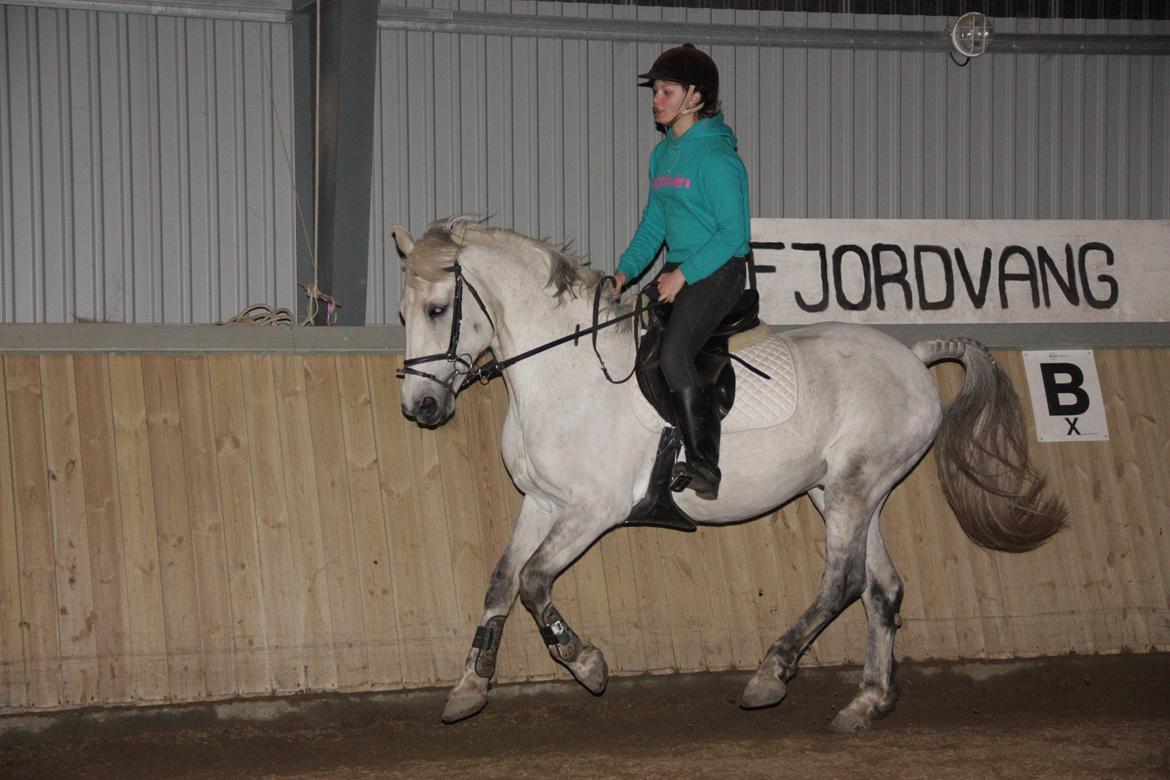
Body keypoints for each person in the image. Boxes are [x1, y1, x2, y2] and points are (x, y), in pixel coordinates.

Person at [613, 43, 750, 502]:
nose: (656, 99)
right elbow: (655, 222)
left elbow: (733, 234)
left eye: (666, 91)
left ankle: (705, 466)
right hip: (680, 269)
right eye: (655, 90)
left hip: (719, 269)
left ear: (695, 97)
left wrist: (683, 275)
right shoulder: (663, 155)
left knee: (674, 356)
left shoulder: (717, 159)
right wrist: (624, 272)